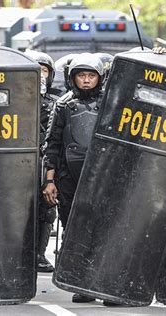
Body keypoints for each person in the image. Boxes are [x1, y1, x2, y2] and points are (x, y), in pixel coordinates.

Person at [43, 53, 105, 303]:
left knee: (103, 230)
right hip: (69, 176)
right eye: (82, 76)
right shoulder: (63, 105)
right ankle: (82, 284)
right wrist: (49, 181)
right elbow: (53, 145)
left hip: (102, 175)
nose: (87, 80)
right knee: (73, 230)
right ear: (73, 78)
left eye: (91, 76)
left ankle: (105, 282)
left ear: (99, 78)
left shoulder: (111, 100)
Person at [25, 50, 60, 273]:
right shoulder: (14, 99)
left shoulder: (55, 103)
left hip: (44, 161)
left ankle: (39, 254)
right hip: (19, 162)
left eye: (44, 70)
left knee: (47, 209)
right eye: (35, 70)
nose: (40, 74)